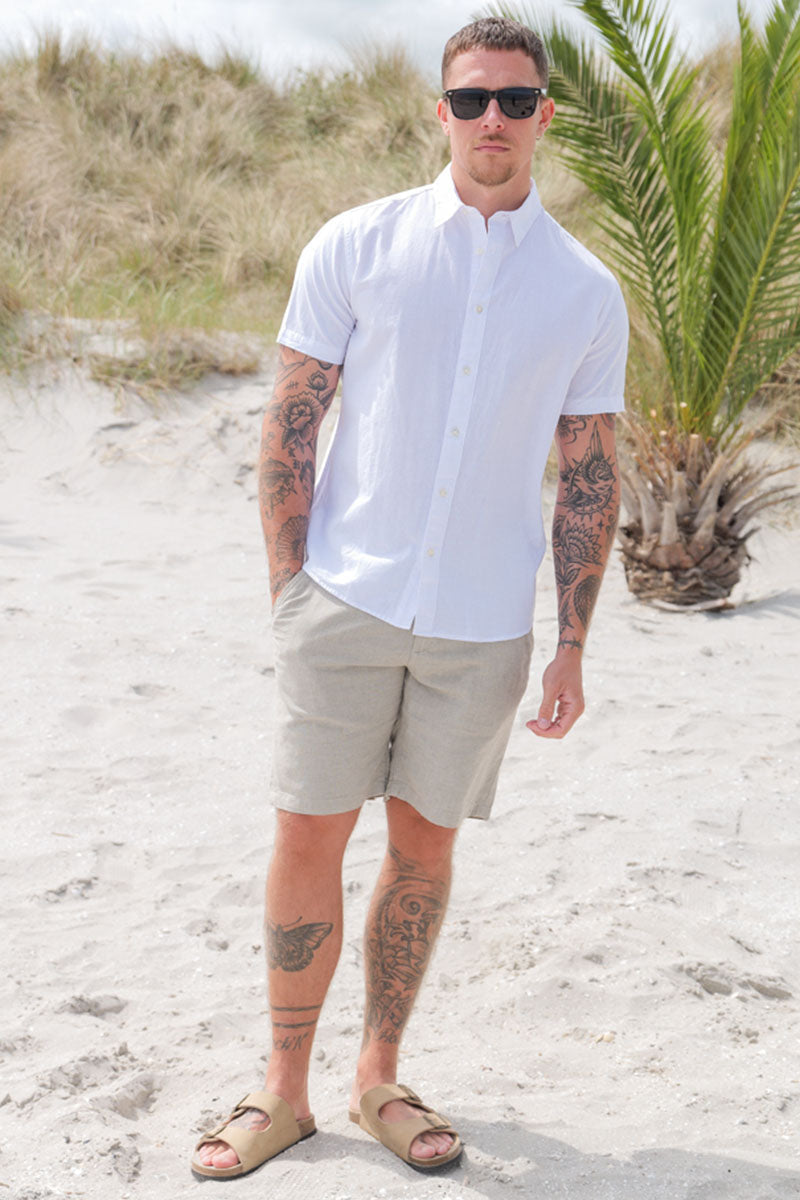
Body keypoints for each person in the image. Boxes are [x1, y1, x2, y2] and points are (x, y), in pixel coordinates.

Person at [191, 15, 627, 1179]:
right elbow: (290, 423)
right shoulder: (357, 243)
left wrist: (570, 644)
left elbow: (588, 474)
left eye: (515, 101)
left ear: (544, 116)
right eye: (471, 98)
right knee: (307, 835)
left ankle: (376, 1076)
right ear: (440, 111)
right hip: (343, 598)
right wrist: (289, 591)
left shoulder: (584, 293)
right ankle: (283, 1092)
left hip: (481, 626)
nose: (493, 119)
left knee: (423, 851)